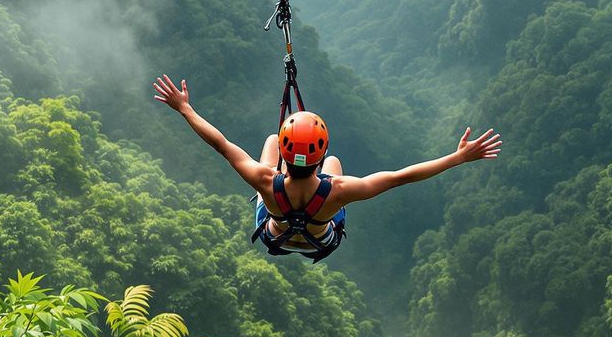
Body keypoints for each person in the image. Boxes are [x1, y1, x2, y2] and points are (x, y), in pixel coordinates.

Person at [153, 74, 502, 262]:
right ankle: (309, 162)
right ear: (316, 157)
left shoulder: (263, 178)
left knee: (268, 142)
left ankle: (289, 160)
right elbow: (401, 177)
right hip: (321, 237)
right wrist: (458, 157)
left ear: (286, 159)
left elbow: (221, 144)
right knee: (336, 166)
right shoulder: (338, 189)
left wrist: (185, 109)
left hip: (276, 229)